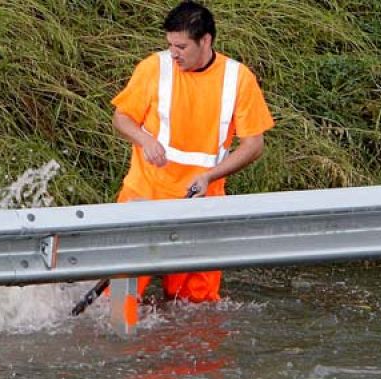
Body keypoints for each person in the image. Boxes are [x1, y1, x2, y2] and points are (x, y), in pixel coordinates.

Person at [110, 1, 274, 303]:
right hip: (144, 195)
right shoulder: (153, 68)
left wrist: (209, 176)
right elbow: (122, 117)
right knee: (119, 298)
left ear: (206, 41)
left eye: (182, 46)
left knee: (195, 306)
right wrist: (145, 141)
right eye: (170, 45)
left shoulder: (238, 78)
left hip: (201, 203)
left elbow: (254, 145)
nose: (174, 53)